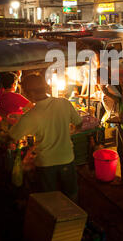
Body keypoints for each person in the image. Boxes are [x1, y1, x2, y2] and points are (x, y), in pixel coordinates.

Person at [9, 73, 82, 202]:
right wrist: (67, 132)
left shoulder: (31, 116)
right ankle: (75, 219)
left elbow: (13, 136)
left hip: (46, 164)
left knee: (49, 200)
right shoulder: (64, 103)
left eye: (24, 92)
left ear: (30, 93)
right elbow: (79, 123)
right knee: (71, 195)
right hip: (67, 158)